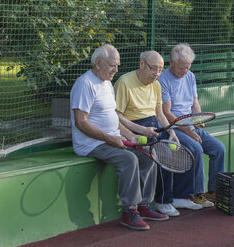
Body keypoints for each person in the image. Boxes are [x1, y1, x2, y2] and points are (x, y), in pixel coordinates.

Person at [70, 44, 168, 231]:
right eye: (112, 65)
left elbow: (113, 118)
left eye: (118, 65)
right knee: (129, 158)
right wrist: (110, 139)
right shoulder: (85, 84)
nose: (116, 70)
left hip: (111, 138)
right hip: (91, 144)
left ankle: (144, 205)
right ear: (98, 63)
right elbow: (81, 123)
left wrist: (131, 134)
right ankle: (129, 212)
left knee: (148, 153)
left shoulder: (106, 83)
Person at [114, 50, 197, 217]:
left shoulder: (157, 84)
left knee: (174, 152)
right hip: (133, 129)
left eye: (160, 70)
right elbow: (117, 116)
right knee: (160, 156)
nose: (157, 74)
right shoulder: (124, 82)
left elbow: (159, 114)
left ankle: (153, 203)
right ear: (142, 64)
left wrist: (171, 132)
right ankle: (161, 202)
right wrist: (139, 131)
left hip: (154, 127)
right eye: (153, 69)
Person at [158, 43, 226, 206]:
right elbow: (167, 113)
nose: (185, 71)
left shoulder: (190, 76)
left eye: (188, 67)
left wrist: (198, 119)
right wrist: (190, 132)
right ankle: (192, 194)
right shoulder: (162, 80)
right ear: (171, 63)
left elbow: (194, 102)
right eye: (182, 68)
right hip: (173, 127)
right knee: (196, 148)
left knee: (218, 148)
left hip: (190, 125)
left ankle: (213, 192)